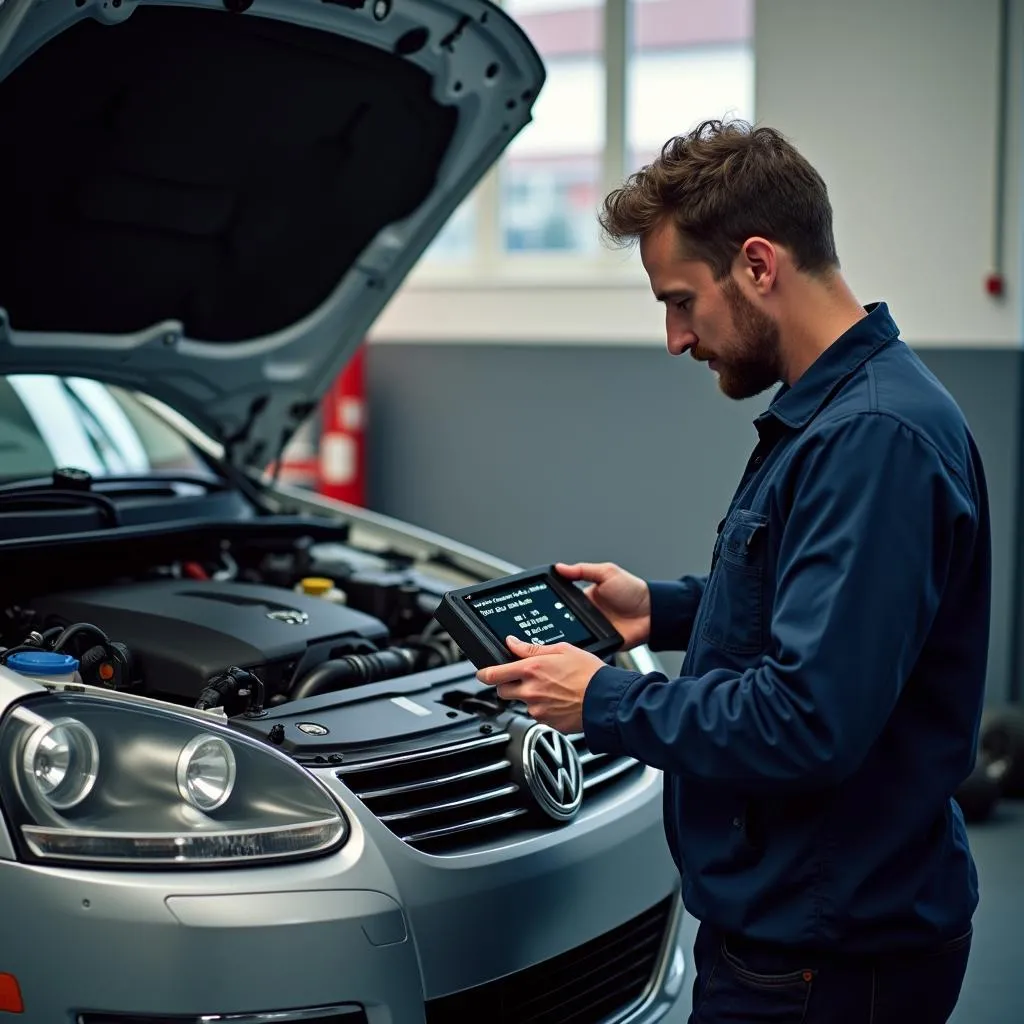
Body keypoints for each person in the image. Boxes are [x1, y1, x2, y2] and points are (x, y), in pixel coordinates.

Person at [476, 119, 991, 1023]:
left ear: (758, 265)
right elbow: (825, 611)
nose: (676, 339)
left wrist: (601, 699)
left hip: (824, 955)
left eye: (681, 301)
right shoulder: (844, 414)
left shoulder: (870, 439)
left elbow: (805, 721)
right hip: (814, 922)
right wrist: (660, 610)